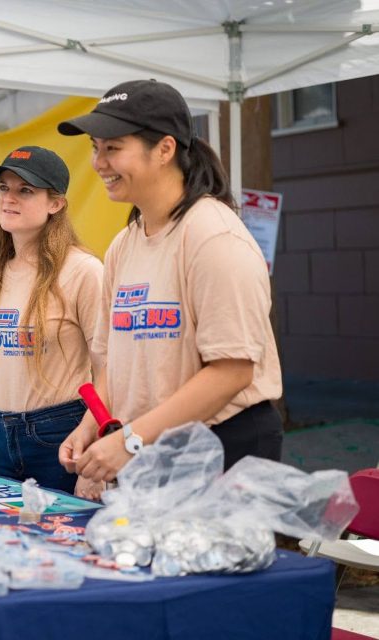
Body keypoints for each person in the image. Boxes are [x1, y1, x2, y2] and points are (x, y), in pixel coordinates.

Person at [56, 79, 283, 497]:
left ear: (164, 149)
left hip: (222, 448)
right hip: (153, 444)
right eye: (95, 147)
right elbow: (114, 364)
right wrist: (91, 427)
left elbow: (233, 370)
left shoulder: (213, 237)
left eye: (113, 148)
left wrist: (130, 440)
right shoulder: (125, 243)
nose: (98, 163)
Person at [0, 146, 104, 494]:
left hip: (61, 432)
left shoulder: (83, 271)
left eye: (25, 190)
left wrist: (92, 448)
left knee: (62, 540)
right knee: (6, 538)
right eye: (3, 188)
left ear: (56, 204)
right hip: (0, 430)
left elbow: (111, 365)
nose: (9, 198)